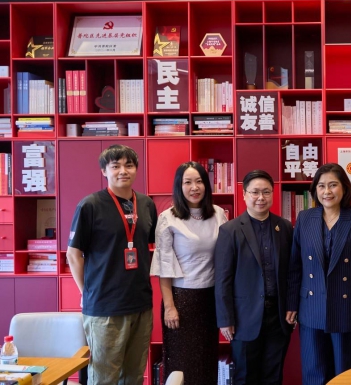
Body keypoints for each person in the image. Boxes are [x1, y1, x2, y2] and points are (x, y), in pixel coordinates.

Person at [67, 144, 157, 385]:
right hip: (105, 306)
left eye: (129, 165)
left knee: (134, 376)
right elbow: (73, 255)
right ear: (104, 171)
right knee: (104, 377)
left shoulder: (146, 204)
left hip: (141, 304)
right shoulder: (90, 205)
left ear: (136, 169)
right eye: (115, 166)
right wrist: (86, 292)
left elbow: (151, 245)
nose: (123, 171)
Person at [285, 163, 351, 385]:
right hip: (311, 306)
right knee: (314, 372)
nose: (327, 191)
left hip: (348, 308)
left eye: (333, 185)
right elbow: (295, 266)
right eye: (321, 186)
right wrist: (292, 304)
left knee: (345, 373)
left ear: (344, 188)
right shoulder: (305, 218)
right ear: (315, 190)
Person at [150, 161, 228, 384]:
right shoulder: (168, 218)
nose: (194, 187)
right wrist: (169, 307)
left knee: (206, 360)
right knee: (182, 363)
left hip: (211, 299)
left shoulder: (218, 214)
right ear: (179, 186)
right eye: (187, 182)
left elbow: (226, 258)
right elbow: (164, 266)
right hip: (181, 300)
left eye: (199, 181)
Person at [215, 170, 294, 385]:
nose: (261, 197)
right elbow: (222, 279)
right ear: (244, 194)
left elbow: (292, 272)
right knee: (245, 377)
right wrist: (225, 319)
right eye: (255, 192)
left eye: (266, 192)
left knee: (273, 376)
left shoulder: (284, 227)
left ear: (273, 194)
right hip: (244, 318)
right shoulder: (230, 230)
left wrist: (292, 305)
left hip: (278, 316)